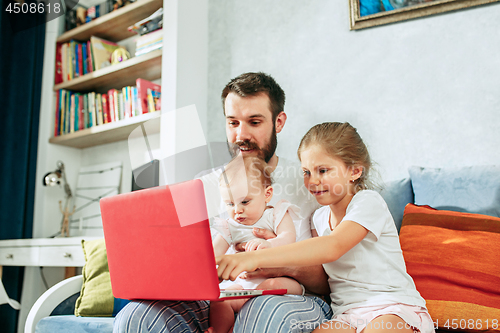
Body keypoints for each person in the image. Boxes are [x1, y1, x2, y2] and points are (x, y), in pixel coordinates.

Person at [113, 72, 332, 333]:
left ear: (279, 122)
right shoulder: (201, 186)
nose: (241, 134)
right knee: (135, 317)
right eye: (233, 123)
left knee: (263, 310)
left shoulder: (310, 182)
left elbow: (329, 280)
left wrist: (268, 258)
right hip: (223, 297)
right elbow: (183, 263)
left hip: (292, 295)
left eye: (254, 122)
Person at [216, 122, 435, 333]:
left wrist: (253, 259)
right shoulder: (318, 218)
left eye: (323, 170)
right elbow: (322, 282)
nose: (312, 181)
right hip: (347, 313)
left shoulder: (368, 202)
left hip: (391, 306)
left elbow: (333, 245)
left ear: (355, 171)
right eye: (306, 172)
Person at [210, 155, 304, 333]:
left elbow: (288, 237)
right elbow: (213, 254)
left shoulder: (277, 214)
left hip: (275, 282)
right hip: (244, 287)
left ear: (267, 194)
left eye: (245, 201)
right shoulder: (230, 226)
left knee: (273, 288)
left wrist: (269, 245)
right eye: (230, 203)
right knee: (220, 301)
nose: (237, 210)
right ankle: (221, 330)